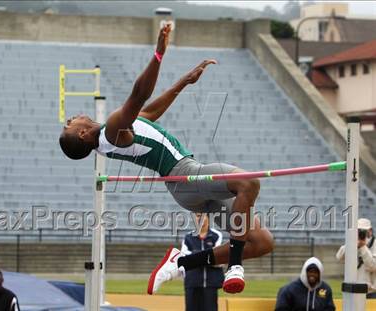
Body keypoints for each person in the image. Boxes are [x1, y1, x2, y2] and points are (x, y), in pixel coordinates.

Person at [59, 23, 274, 294]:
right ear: (81, 134)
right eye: (69, 124)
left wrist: (183, 82)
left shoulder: (114, 132)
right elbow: (139, 95)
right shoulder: (112, 130)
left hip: (184, 185)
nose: (70, 118)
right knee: (248, 182)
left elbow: (149, 112)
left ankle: (181, 262)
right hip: (185, 174)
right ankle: (234, 266)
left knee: (262, 242)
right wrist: (159, 54)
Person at [181, 213, 224, 311]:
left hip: (211, 283)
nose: (199, 218)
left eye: (202, 215)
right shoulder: (188, 237)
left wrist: (194, 256)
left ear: (209, 217)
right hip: (192, 283)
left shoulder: (216, 236)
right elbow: (184, 259)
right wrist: (207, 256)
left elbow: (219, 260)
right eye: (197, 215)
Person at [336, 218, 376, 298]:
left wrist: (362, 247)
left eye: (363, 231)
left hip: (371, 292)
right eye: (358, 231)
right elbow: (339, 257)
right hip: (354, 290)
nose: (361, 233)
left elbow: (373, 266)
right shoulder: (353, 243)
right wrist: (352, 243)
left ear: (370, 231)